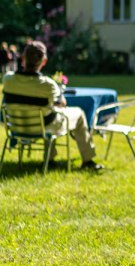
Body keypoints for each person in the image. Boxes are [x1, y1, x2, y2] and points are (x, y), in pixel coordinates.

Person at [2, 41, 103, 170]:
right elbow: (62, 103)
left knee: (49, 113)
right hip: (43, 127)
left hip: (17, 127)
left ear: (23, 58)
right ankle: (87, 160)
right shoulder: (48, 85)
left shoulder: (8, 79)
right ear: (43, 61)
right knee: (76, 113)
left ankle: (50, 158)